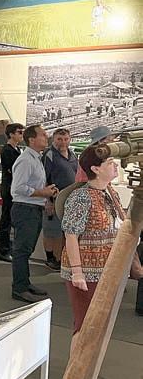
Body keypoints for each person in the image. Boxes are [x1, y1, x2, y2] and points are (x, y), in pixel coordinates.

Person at [60, 146, 124, 344]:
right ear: (95, 169)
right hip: (86, 273)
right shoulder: (81, 197)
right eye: (109, 163)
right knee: (84, 325)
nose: (115, 166)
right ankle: (77, 364)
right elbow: (71, 235)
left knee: (98, 325)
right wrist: (77, 272)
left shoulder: (110, 193)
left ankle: (89, 364)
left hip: (104, 270)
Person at [10, 125, 59, 303]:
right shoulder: (26, 160)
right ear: (32, 139)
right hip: (25, 209)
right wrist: (42, 193)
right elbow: (18, 188)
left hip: (33, 208)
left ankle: (24, 283)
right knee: (22, 250)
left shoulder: (36, 158)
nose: (47, 137)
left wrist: (45, 195)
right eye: (43, 135)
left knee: (26, 249)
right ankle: (19, 288)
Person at [41, 128, 78, 270]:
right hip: (54, 198)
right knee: (52, 230)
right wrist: (48, 200)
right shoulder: (49, 155)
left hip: (70, 199)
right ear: (54, 140)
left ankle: (62, 258)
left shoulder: (72, 154)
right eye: (59, 139)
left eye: (66, 139)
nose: (63, 142)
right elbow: (43, 178)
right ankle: (51, 258)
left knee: (66, 231)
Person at [0, 123, 24, 262]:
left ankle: (9, 247)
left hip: (15, 187)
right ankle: (3, 249)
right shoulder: (7, 150)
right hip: (9, 188)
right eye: (19, 132)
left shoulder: (18, 149)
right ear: (11, 134)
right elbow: (12, 169)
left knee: (11, 219)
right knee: (6, 219)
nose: (21, 135)